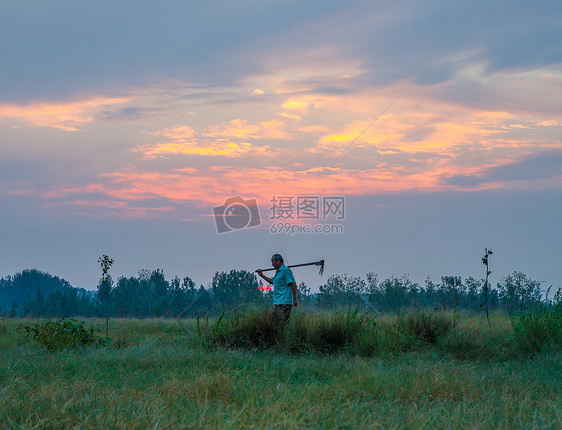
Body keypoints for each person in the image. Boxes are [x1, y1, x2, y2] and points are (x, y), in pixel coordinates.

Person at [257, 254, 298, 325]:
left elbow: (293, 284)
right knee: (275, 323)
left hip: (285, 302)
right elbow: (272, 281)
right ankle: (278, 336)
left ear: (278, 261)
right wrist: (261, 275)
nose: (272, 265)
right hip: (278, 302)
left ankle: (283, 335)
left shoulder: (285, 270)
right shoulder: (278, 272)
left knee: (281, 323)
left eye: (273, 262)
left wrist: (294, 298)